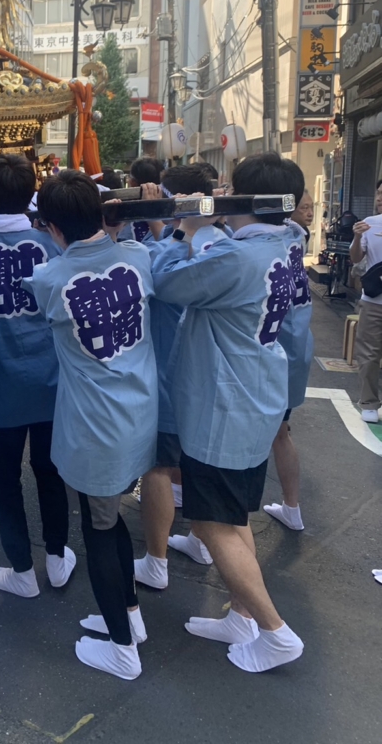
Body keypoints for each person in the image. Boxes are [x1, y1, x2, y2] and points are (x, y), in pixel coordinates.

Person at [152, 152, 304, 673]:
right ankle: (241, 614)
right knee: (233, 514)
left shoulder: (236, 258)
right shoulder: (287, 241)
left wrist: (184, 232)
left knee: (213, 522)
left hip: (224, 403)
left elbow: (168, 285)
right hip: (255, 393)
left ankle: (275, 630)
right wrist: (209, 231)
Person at [26, 170, 158, 680]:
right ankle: (127, 616)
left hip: (94, 426)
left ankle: (123, 651)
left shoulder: (49, 279)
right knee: (111, 520)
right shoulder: (140, 258)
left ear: (53, 228)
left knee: (100, 529)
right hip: (140, 412)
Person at [0, 155, 74, 597]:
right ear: (32, 194)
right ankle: (58, 558)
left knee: (3, 478)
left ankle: (20, 569)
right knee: (51, 471)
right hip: (52, 382)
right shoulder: (53, 244)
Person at [134, 166, 216, 591]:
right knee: (196, 460)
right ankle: (201, 540)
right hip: (206, 375)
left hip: (168, 370)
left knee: (158, 467)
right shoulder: (226, 244)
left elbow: (157, 277)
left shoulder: (175, 246)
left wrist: (171, 228)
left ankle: (156, 560)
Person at [263, 161, 313, 532]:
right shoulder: (296, 236)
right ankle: (292, 507)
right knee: (281, 432)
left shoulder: (263, 241)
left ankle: (208, 535)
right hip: (297, 347)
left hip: (272, 352)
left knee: (256, 437)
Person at [349, 179, 382, 424]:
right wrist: (356, 237)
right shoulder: (368, 224)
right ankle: (369, 403)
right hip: (373, 300)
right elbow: (356, 257)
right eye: (378, 193)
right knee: (368, 353)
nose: (379, 198)